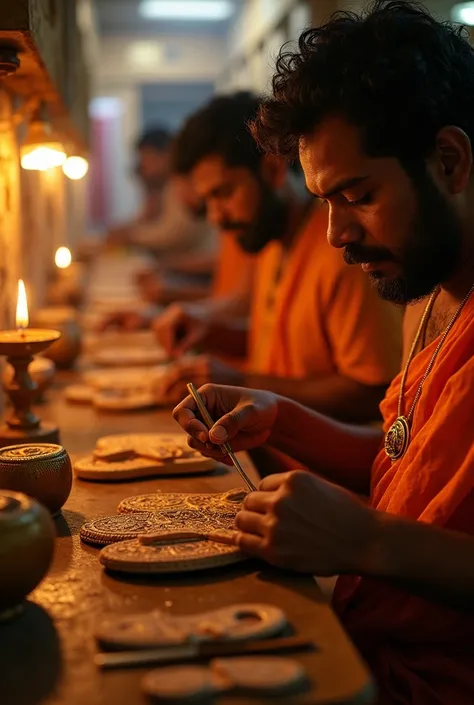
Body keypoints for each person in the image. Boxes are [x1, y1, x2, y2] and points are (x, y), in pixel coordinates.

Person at [173, 2, 474, 703]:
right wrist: (282, 418)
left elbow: (391, 525)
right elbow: (406, 460)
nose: (336, 234)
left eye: (357, 195)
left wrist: (366, 541)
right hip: (367, 646)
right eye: (323, 201)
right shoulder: (426, 298)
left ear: (450, 161)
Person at [156, 92, 402, 422]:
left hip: (315, 470)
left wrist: (242, 383)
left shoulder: (344, 252)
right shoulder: (272, 242)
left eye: (224, 193)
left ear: (272, 170)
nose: (215, 217)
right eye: (208, 201)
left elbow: (375, 392)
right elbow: (285, 355)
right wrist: (211, 331)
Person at [106, 126, 215, 261]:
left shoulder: (181, 183)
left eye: (147, 159)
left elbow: (174, 233)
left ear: (167, 155)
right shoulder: (164, 187)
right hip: (181, 266)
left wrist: (131, 236)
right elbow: (145, 220)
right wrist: (127, 231)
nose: (143, 165)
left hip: (196, 268)